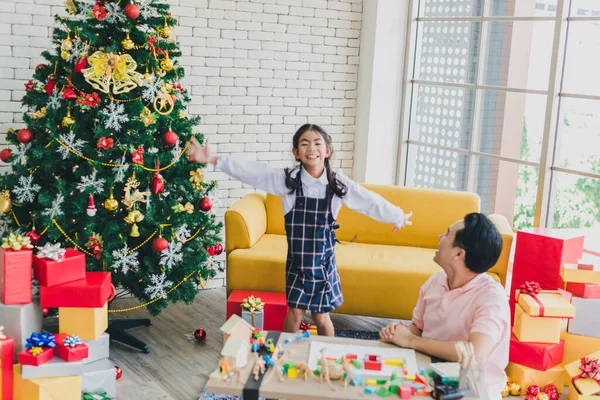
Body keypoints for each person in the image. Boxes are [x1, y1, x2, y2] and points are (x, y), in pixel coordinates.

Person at [187, 124, 412, 336]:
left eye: (317, 143)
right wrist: (214, 159)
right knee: (294, 313)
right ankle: (284, 356)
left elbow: (367, 200)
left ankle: (328, 356)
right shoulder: (288, 181)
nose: (311, 148)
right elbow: (254, 172)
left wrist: (396, 216)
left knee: (322, 317)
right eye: (304, 143)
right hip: (297, 262)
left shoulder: (337, 183)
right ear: (296, 152)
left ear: (327, 150)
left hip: (323, 264)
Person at [379, 213, 509, 399]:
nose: (440, 236)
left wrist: (411, 341)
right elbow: (418, 329)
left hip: (471, 388)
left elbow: (474, 354)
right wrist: (399, 333)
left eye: (447, 234)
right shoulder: (435, 281)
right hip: (429, 376)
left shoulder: (492, 299)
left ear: (459, 254)